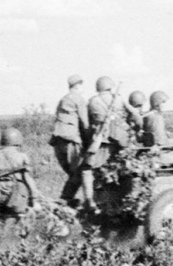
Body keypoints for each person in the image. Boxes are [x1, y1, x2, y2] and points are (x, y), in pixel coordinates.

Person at [79, 76, 123, 211]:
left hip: (100, 140)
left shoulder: (93, 102)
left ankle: (90, 200)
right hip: (118, 140)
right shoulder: (118, 100)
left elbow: (86, 124)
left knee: (86, 169)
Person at [0, 127, 43, 215]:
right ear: (18, 142)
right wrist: (34, 198)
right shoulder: (22, 156)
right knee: (22, 186)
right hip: (13, 192)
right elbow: (28, 179)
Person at [50, 74, 90, 207]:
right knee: (80, 171)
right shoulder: (79, 99)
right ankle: (65, 200)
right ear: (78, 85)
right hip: (71, 141)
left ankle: (67, 199)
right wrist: (89, 142)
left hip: (58, 141)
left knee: (73, 174)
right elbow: (85, 123)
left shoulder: (63, 100)